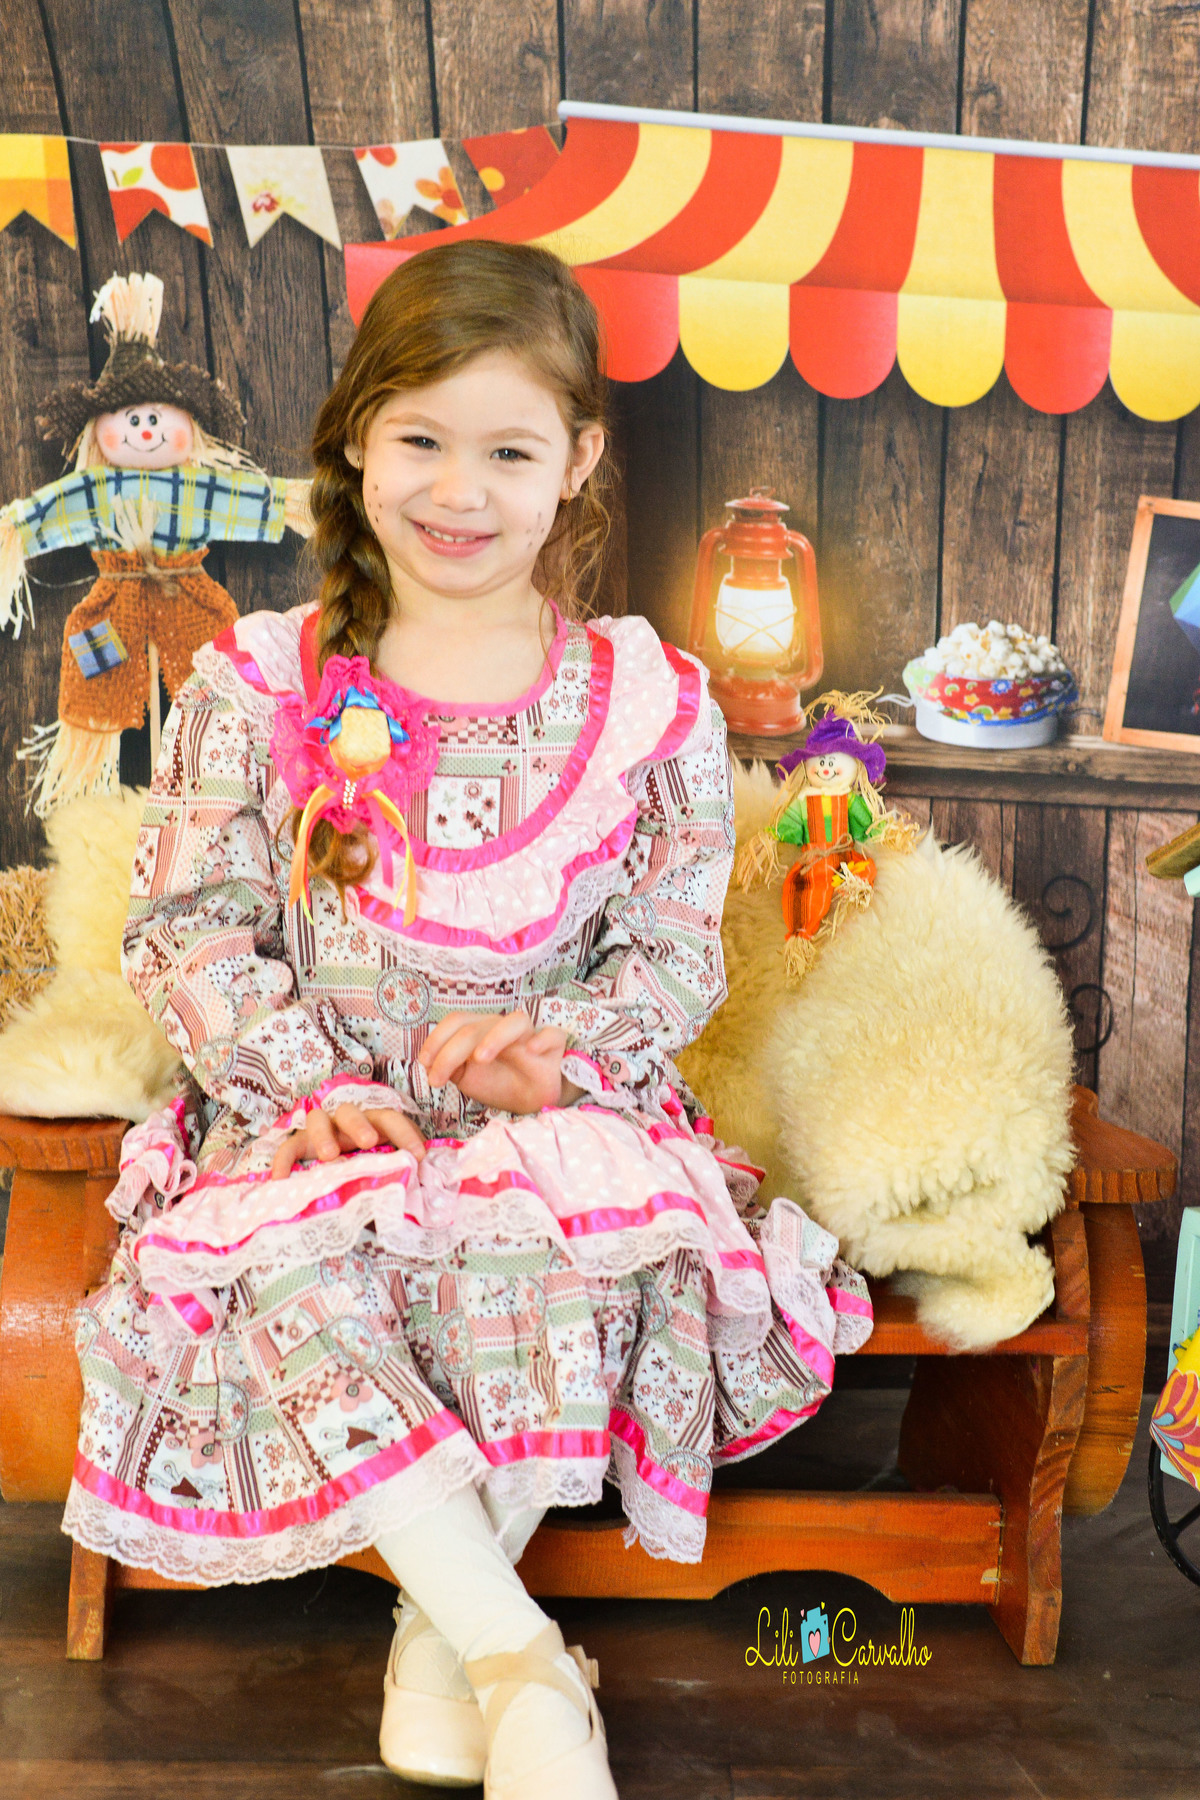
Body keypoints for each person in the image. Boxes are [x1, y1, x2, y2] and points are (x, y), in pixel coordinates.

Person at [62, 240, 873, 1799]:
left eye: (508, 450)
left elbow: (674, 945)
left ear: (575, 465)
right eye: (420, 439)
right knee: (295, 1266)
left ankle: (443, 1651)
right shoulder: (264, 678)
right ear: (357, 441)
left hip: (550, 1117)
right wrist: (300, 1088)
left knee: (558, 1240)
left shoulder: (646, 698)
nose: (459, 490)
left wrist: (559, 1054)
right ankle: (523, 1670)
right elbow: (190, 925)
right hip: (310, 1122)